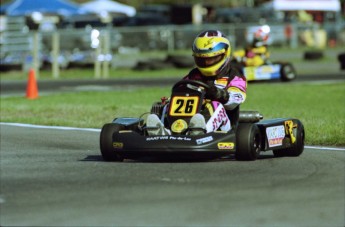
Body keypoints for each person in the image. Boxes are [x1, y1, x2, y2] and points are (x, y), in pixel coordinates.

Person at [147, 30, 247, 136]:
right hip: (190, 119)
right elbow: (180, 89)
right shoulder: (193, 75)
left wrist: (219, 94)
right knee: (168, 104)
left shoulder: (234, 75)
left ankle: (199, 131)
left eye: (211, 58)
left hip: (225, 127)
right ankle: (164, 132)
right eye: (202, 59)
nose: (206, 62)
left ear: (224, 54)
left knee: (215, 104)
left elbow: (237, 98)